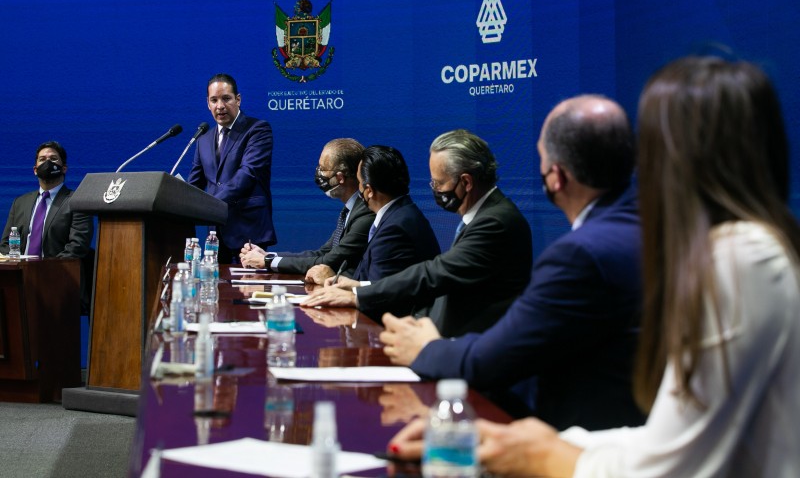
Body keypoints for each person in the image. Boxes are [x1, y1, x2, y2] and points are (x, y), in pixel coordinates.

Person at [389, 56, 800, 476]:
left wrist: (550, 455)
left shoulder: (739, 258)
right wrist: (532, 440)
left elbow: (677, 462)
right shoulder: (754, 245)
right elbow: (670, 431)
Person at [380, 95, 644, 430]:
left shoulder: (578, 254)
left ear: (556, 177)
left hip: (580, 439)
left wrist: (427, 348)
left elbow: (491, 359)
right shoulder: (645, 228)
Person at [302, 129, 532, 338]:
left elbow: (435, 273)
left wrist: (358, 295)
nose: (435, 190)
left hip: (473, 347)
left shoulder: (495, 222)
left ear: (466, 182)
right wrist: (357, 287)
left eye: (438, 183)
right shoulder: (487, 214)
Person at [307, 145, 441, 294]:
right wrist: (347, 283)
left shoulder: (395, 227)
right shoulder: (400, 213)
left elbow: (382, 293)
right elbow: (379, 282)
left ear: (369, 191)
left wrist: (334, 281)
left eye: (358, 182)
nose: (358, 188)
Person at [239, 138, 375, 281]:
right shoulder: (351, 210)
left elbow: (329, 261)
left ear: (340, 177)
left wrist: (267, 262)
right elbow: (321, 253)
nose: (319, 173)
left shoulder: (365, 212)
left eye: (322, 169)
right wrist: (268, 257)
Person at [188, 73, 276, 262]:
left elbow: (248, 173)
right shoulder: (203, 140)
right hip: (215, 236)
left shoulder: (257, 130)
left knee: (248, 290)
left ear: (238, 99)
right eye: (214, 100)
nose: (220, 106)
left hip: (249, 233)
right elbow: (194, 184)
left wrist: (210, 205)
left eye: (226, 98)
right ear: (208, 104)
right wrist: (178, 201)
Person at [1, 141, 94, 311]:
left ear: (64, 168)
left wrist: (43, 271)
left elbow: (77, 246)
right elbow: (6, 244)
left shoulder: (77, 201)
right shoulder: (20, 203)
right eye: (42, 159)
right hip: (20, 282)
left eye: (53, 159)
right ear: (35, 169)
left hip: (59, 282)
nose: (48, 163)